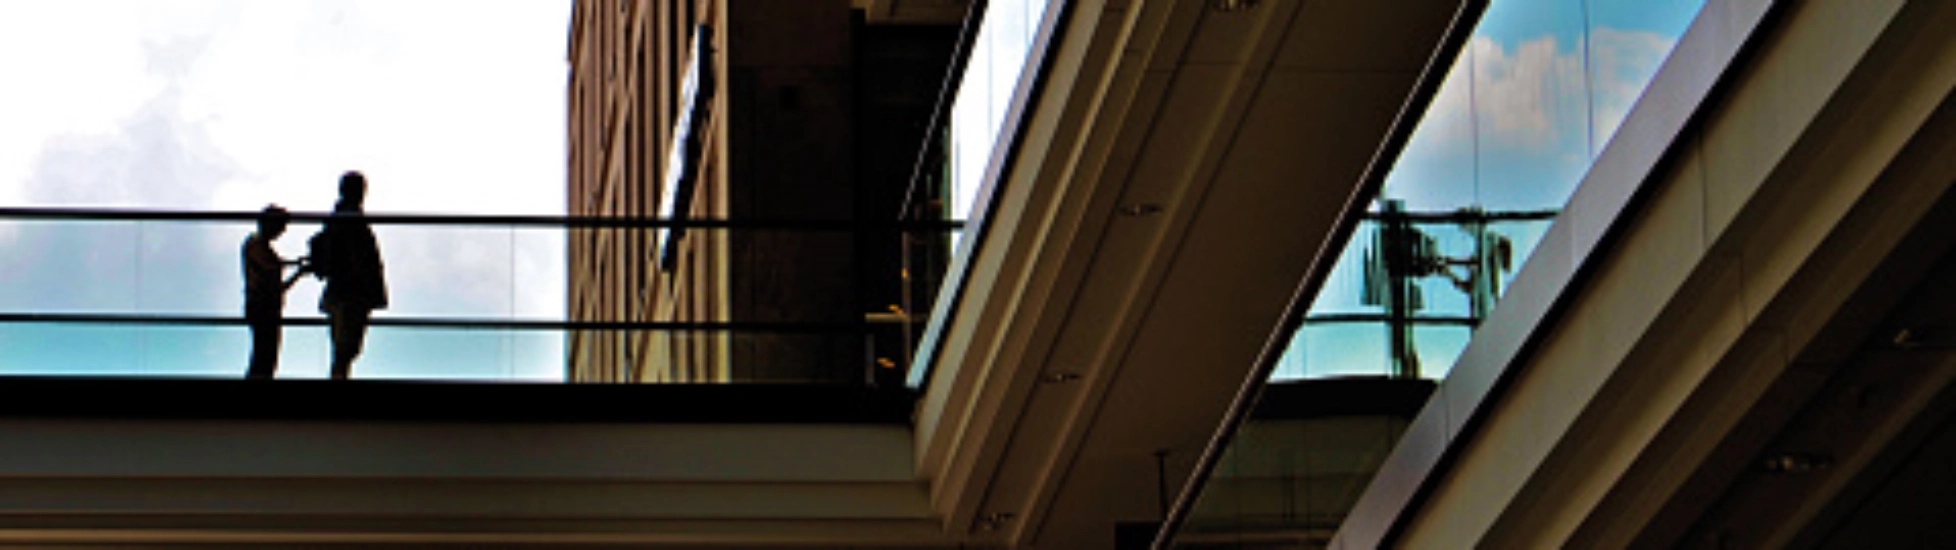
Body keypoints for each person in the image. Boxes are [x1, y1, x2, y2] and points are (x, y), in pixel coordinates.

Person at [309, 171, 389, 380]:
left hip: (341, 291)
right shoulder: (351, 221)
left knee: (343, 348)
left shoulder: (337, 220)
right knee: (346, 348)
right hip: (352, 292)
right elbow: (361, 259)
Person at [242, 205, 307, 380]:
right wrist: (298, 271)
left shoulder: (255, 244)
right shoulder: (257, 245)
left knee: (264, 359)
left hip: (263, 308)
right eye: (280, 227)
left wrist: (295, 267)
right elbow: (275, 277)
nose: (282, 232)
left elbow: (275, 272)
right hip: (263, 309)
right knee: (265, 359)